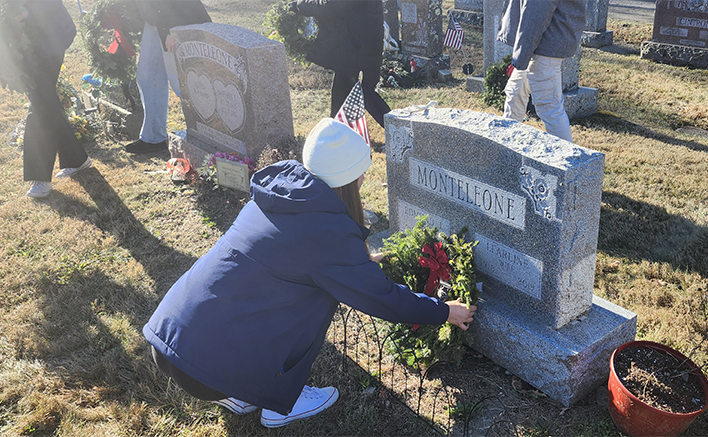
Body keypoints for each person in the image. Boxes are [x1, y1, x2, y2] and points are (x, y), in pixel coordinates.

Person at [143, 118, 476, 428]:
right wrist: (444, 311)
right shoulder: (327, 233)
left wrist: (359, 262)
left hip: (171, 339)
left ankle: (241, 390)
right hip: (202, 371)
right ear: (350, 179)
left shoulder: (280, 193)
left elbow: (299, 255)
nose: (363, 180)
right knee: (315, 298)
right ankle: (278, 401)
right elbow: (382, 299)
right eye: (361, 173)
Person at [16, 0, 93, 198]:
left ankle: (40, 177)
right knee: (45, 103)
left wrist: (27, 12)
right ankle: (77, 159)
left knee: (40, 105)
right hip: (26, 47)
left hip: (49, 40)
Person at [124, 0, 211, 154]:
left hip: (177, 20)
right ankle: (153, 137)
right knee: (148, 76)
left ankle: (204, 139)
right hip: (155, 21)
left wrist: (171, 30)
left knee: (181, 82)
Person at [289, 0, 391, 128]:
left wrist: (300, 5)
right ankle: (337, 132)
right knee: (343, 85)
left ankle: (401, 134)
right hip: (358, 42)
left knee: (365, 92)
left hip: (358, 45)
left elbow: (331, 6)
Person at [496, 0, 586, 143]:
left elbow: (534, 16)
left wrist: (520, 58)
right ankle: (506, 145)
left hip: (544, 45)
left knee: (549, 107)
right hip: (543, 42)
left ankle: (565, 161)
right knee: (515, 92)